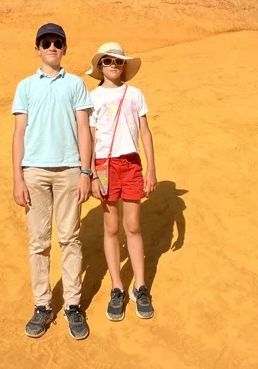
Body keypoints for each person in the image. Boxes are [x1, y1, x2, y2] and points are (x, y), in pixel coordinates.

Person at [12, 23, 94, 340]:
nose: (51, 47)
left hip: (70, 170)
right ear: (37, 48)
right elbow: (19, 133)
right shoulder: (26, 87)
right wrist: (17, 176)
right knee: (39, 242)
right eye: (45, 42)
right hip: (34, 171)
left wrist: (86, 172)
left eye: (57, 43)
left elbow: (84, 130)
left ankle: (72, 305)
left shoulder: (75, 85)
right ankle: (43, 305)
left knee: (70, 238)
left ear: (64, 48)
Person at [87, 42, 157, 321]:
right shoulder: (92, 97)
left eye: (118, 61)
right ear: (99, 66)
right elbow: (90, 138)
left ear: (124, 66)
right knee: (112, 226)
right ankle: (117, 286)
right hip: (104, 165)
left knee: (133, 226)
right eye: (107, 61)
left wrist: (151, 169)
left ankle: (140, 285)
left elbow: (146, 132)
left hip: (131, 163)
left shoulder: (136, 94)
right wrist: (90, 172)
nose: (113, 65)